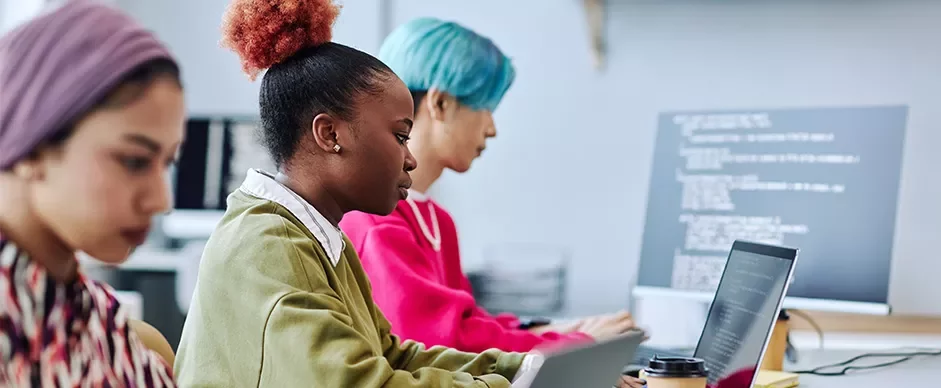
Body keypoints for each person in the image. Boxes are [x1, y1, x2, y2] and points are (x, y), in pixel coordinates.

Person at [173, 1, 542, 387]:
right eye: (400, 136)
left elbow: (391, 354)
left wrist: (521, 369)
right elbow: (361, 383)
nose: (411, 159)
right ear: (329, 134)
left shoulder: (322, 240)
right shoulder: (270, 245)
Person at [338, 18, 645, 387]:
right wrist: (575, 344)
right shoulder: (375, 221)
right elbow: (442, 342)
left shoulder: (437, 220)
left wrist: (563, 332)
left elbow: (468, 323)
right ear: (440, 102)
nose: (492, 128)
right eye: (485, 106)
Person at [0, 0, 185, 386]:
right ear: (32, 148)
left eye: (166, 163)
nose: (161, 201)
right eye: (135, 161)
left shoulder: (103, 324)